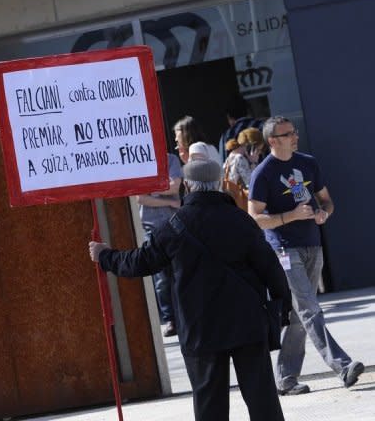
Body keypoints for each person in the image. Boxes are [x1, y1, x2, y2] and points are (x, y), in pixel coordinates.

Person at [90, 159, 291, 421]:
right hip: (246, 322)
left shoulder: (173, 226)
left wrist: (105, 256)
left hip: (200, 328)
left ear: (187, 185)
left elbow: (140, 263)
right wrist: (281, 308)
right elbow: (270, 268)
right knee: (262, 400)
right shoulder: (241, 220)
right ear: (219, 184)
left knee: (210, 404)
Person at [248, 115, 365, 396]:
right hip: (283, 249)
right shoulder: (263, 173)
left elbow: (326, 200)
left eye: (294, 131)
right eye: (288, 133)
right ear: (273, 140)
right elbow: (255, 217)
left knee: (301, 314)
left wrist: (325, 212)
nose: (295, 136)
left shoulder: (307, 162)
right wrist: (290, 216)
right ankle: (342, 365)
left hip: (313, 243)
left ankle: (286, 379)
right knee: (310, 308)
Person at [136, 152, 182, 337]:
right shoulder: (139, 159)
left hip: (174, 223)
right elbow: (140, 198)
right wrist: (167, 196)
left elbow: (175, 186)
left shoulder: (170, 159)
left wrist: (151, 189)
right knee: (162, 278)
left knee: (181, 271)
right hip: (151, 227)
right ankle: (170, 318)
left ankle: (185, 315)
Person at [218, 96, 263, 162]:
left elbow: (224, 163)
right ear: (249, 111)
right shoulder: (263, 127)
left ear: (229, 117)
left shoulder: (226, 136)